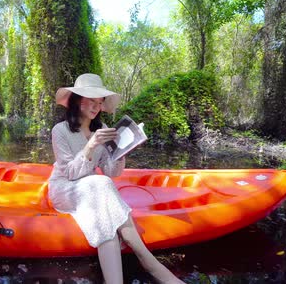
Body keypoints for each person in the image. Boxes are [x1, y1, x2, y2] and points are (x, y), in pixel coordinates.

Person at [48, 73, 184, 284]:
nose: (96, 106)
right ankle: (147, 260)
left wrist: (121, 150)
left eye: (100, 102)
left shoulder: (101, 129)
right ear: (77, 100)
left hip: (92, 189)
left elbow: (111, 172)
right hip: (65, 188)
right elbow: (70, 173)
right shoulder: (60, 130)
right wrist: (91, 145)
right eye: (91, 100)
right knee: (101, 183)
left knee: (107, 220)